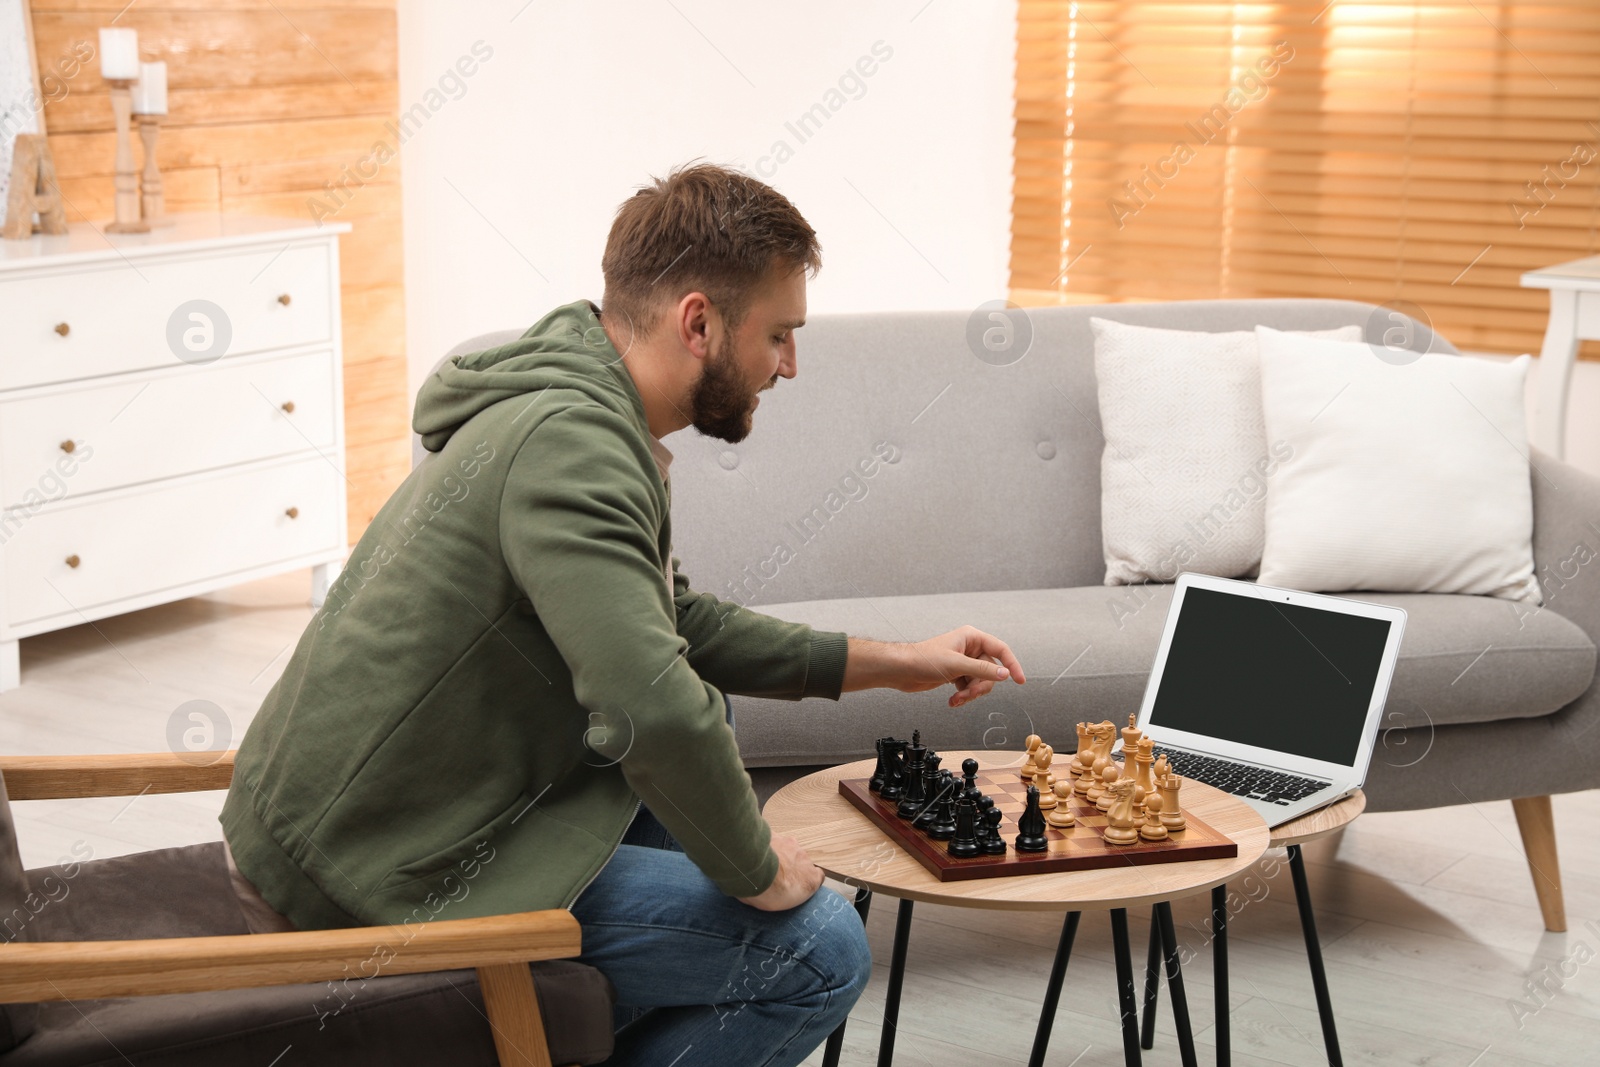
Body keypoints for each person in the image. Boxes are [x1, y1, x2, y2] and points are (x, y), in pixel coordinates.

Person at [218, 162, 1026, 1066]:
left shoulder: (578, 408)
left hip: (395, 816)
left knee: (699, 727)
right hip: (371, 872)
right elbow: (646, 702)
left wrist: (899, 660)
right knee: (821, 948)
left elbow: (679, 630)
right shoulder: (573, 449)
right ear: (698, 322)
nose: (790, 365)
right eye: (781, 335)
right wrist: (756, 870)